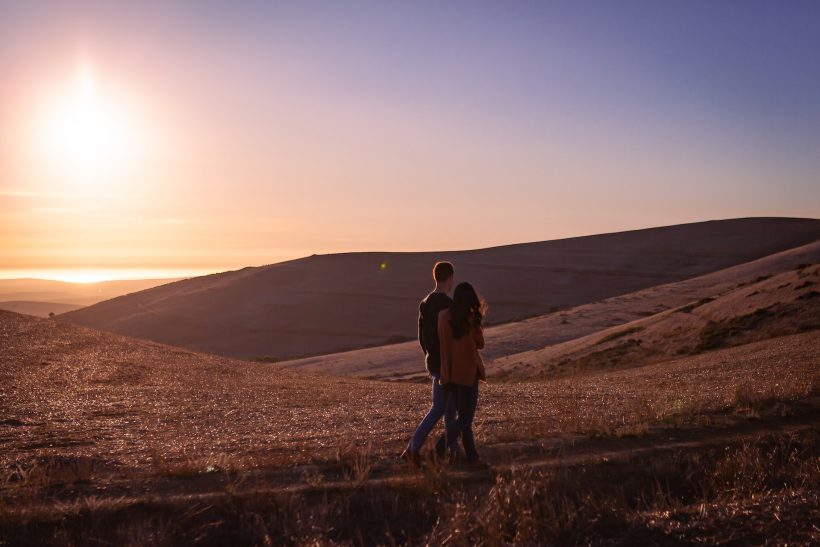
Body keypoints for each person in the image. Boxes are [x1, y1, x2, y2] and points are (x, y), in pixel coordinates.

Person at [401, 261, 459, 464]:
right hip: (446, 363)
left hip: (434, 361)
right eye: (453, 278)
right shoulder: (448, 305)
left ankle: (455, 452)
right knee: (439, 408)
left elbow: (421, 336)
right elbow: (452, 338)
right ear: (449, 278)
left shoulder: (425, 302)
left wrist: (429, 358)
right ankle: (412, 448)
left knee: (450, 409)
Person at [439, 282, 487, 463]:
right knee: (466, 419)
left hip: (450, 374)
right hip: (468, 374)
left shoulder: (443, 317)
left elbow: (443, 343)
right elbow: (480, 344)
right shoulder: (472, 318)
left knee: (463, 419)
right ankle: (439, 447)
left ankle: (472, 457)